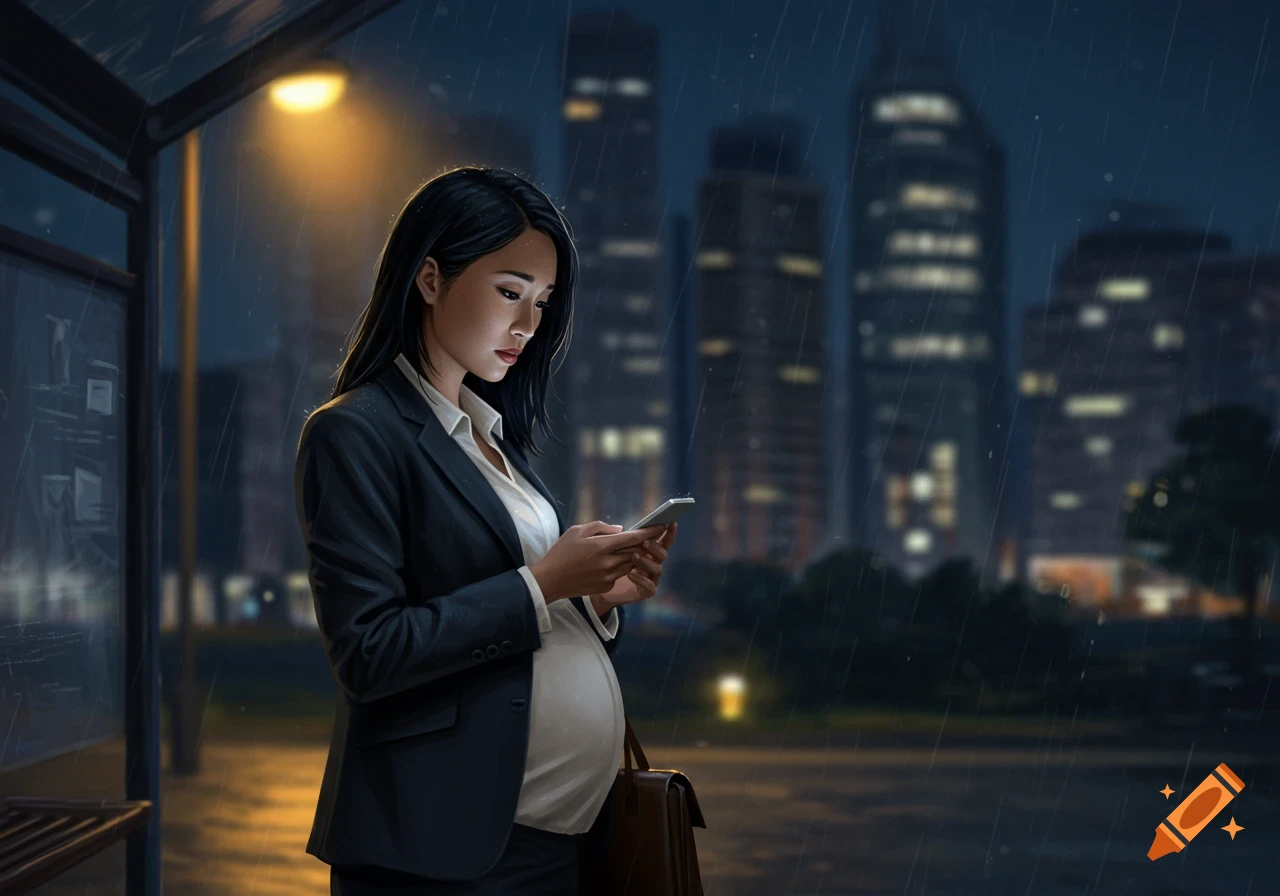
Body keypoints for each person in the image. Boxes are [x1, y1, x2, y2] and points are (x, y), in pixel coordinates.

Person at [294, 166, 678, 895]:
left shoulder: (494, 442)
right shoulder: (355, 433)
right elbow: (369, 652)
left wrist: (595, 600)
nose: (529, 325)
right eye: (509, 291)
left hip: (553, 848)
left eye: (542, 301)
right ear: (430, 278)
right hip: (444, 855)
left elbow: (518, 612)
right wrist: (545, 583)